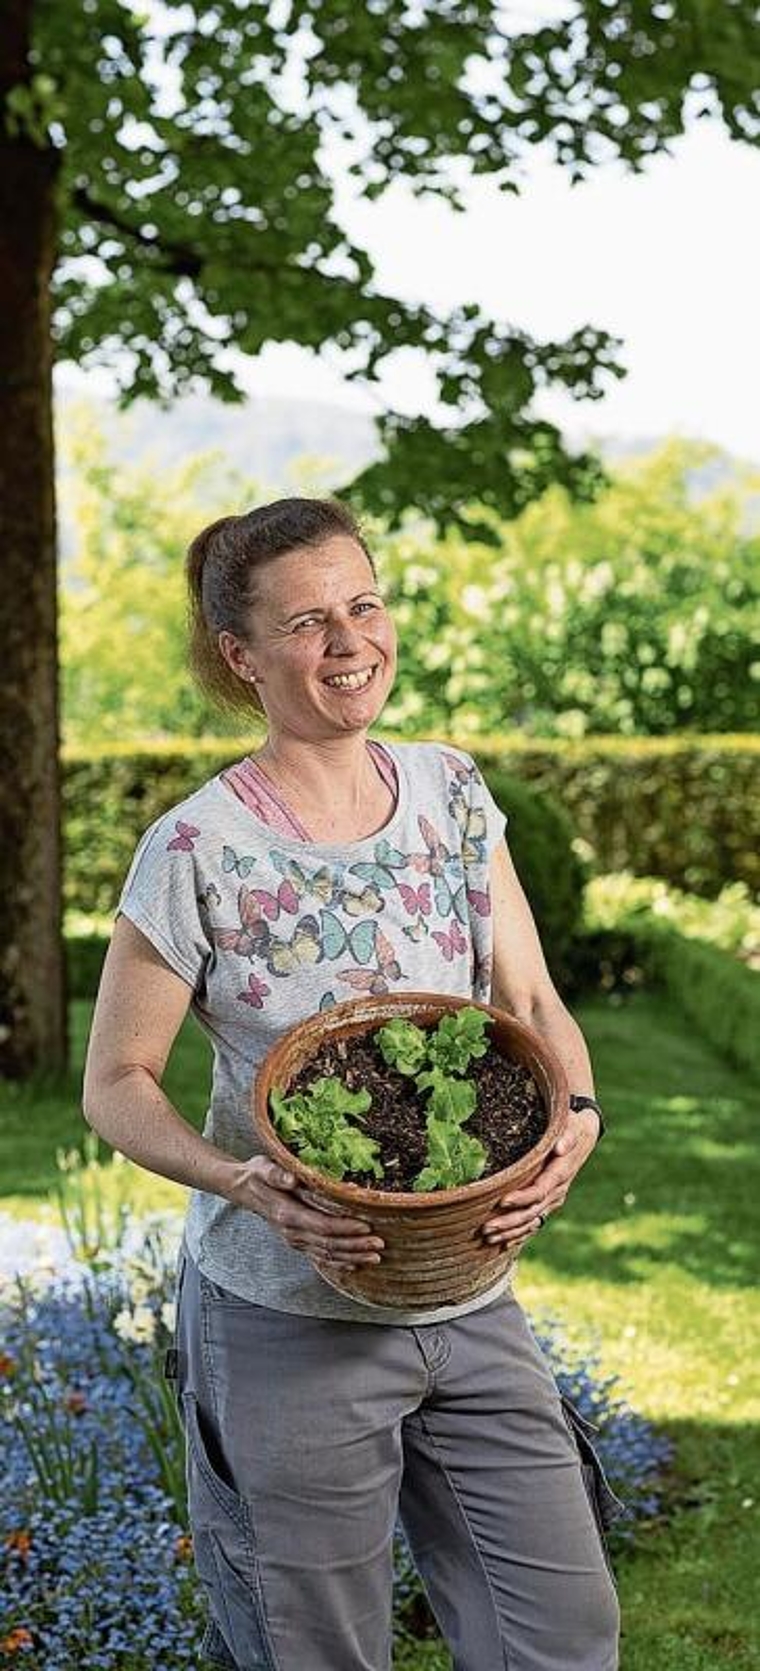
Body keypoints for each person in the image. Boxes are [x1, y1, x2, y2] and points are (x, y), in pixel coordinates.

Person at [83, 496, 620, 1671]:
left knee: (560, 1634)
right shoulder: (196, 848)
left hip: (469, 1293)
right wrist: (248, 1181)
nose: (349, 641)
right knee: (309, 1649)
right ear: (241, 655)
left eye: (363, 605)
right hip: (287, 1310)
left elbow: (528, 1008)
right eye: (308, 621)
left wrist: (574, 1120)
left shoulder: (451, 792)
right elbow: (117, 1081)